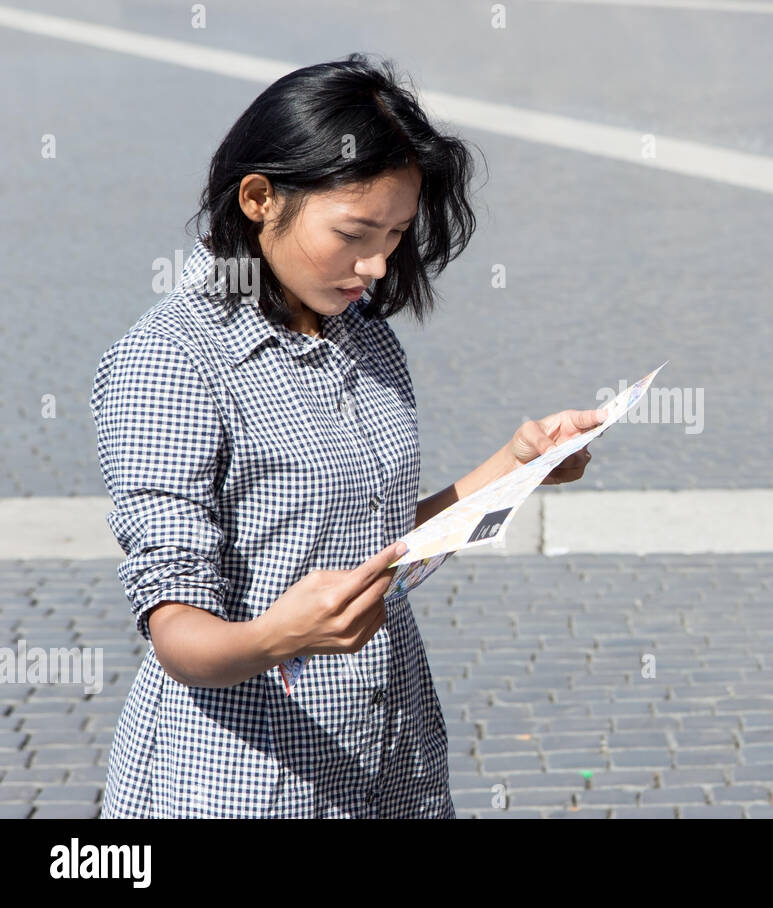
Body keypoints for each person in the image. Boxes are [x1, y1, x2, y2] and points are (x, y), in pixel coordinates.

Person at [90, 53, 604, 818]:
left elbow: (385, 549)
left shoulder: (363, 335)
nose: (376, 264)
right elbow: (176, 633)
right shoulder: (170, 360)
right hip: (241, 779)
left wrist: (517, 465)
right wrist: (276, 635)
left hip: (392, 758)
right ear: (260, 198)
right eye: (355, 232)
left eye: (396, 233)